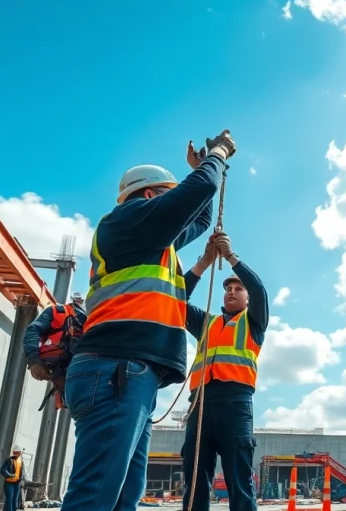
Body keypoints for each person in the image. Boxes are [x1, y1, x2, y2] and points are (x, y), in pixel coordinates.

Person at [59, 131, 236, 511]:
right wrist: (218, 154)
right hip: (116, 369)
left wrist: (200, 170)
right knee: (95, 495)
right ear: (152, 196)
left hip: (129, 373)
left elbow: (200, 214)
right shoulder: (128, 219)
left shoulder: (152, 241)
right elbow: (199, 188)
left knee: (124, 495)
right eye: (167, 196)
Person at [180, 232, 269, 511]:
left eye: (237, 289)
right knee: (194, 483)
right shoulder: (206, 321)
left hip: (235, 404)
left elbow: (259, 288)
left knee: (240, 482)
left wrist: (231, 257)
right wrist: (204, 262)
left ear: (247, 298)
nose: (231, 291)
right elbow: (176, 299)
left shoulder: (253, 323)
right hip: (200, 405)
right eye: (227, 288)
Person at [23, 292, 88, 408]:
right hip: (60, 371)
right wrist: (34, 359)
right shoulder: (57, 312)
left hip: (85, 377)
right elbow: (33, 330)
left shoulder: (99, 322)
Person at [0, 445, 25, 511]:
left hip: (17, 483)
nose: (19, 454)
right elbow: (2, 470)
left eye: (19, 453)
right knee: (9, 498)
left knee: (14, 499)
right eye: (17, 452)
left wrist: (22, 480)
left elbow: (22, 472)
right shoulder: (9, 460)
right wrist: (10, 475)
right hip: (9, 483)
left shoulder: (21, 461)